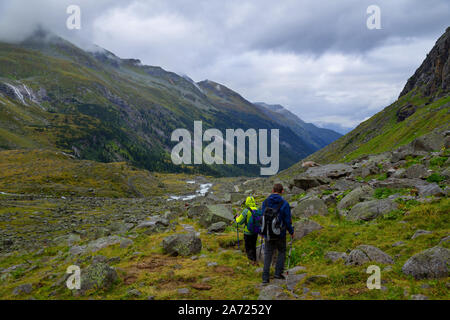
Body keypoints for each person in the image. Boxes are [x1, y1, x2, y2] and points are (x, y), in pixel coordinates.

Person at [261, 183, 294, 284]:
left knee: (268, 254)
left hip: (267, 233)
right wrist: (291, 232)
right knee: (281, 251)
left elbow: (262, 216)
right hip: (280, 233)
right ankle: (277, 274)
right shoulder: (284, 204)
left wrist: (261, 231)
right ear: (282, 191)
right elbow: (287, 221)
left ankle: (265, 279)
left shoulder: (265, 202)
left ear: (272, 190)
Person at [235, 196, 260, 264]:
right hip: (255, 231)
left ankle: (250, 261)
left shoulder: (246, 211)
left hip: (247, 232)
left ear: (247, 202)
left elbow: (239, 221)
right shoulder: (257, 209)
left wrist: (236, 218)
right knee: (253, 246)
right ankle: (254, 260)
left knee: (248, 247)